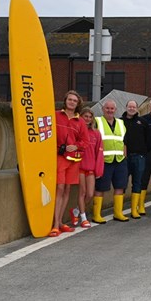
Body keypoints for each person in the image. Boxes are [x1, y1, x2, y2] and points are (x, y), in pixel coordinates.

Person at [50, 90, 89, 237]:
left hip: (74, 160)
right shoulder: (56, 115)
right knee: (59, 188)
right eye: (70, 99)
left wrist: (76, 146)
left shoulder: (80, 122)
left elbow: (85, 141)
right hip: (60, 157)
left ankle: (60, 223)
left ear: (78, 104)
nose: (72, 102)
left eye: (74, 100)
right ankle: (55, 224)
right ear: (65, 101)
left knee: (66, 189)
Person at [93, 99, 129, 223]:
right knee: (100, 188)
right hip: (104, 161)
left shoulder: (120, 123)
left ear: (115, 110)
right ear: (103, 109)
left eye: (112, 108)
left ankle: (118, 213)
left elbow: (124, 141)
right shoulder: (97, 121)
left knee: (120, 186)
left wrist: (125, 155)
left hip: (119, 160)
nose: (110, 110)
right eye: (107, 108)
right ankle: (96, 214)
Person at [70, 107, 103, 229]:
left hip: (91, 167)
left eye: (90, 117)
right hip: (79, 166)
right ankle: (83, 218)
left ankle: (76, 211)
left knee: (90, 194)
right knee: (82, 192)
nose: (88, 119)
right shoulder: (76, 131)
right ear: (81, 117)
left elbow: (99, 152)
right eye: (85, 116)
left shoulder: (96, 133)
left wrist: (98, 169)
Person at [121, 100, 147, 219]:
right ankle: (119, 210)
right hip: (124, 157)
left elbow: (147, 139)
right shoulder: (120, 122)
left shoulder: (142, 122)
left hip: (139, 157)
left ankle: (134, 210)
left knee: (137, 183)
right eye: (129, 106)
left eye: (134, 107)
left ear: (137, 108)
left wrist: (143, 153)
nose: (131, 108)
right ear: (126, 107)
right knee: (121, 183)